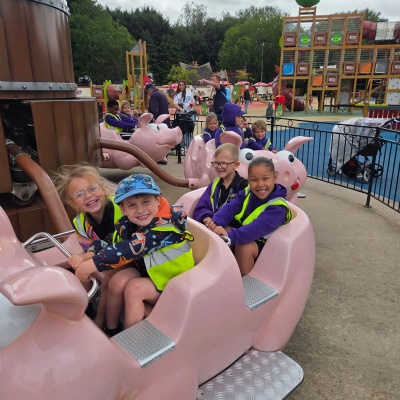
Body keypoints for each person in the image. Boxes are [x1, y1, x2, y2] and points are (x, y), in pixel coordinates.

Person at [71, 174, 195, 333]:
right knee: (114, 279)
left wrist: (90, 265)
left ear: (158, 200)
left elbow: (128, 248)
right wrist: (87, 255)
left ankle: (129, 337)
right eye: (132, 205)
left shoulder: (164, 229)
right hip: (151, 272)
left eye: (146, 202)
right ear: (123, 209)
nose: (140, 210)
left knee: (134, 289)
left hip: (172, 284)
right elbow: (112, 241)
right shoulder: (129, 222)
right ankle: (110, 329)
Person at [54, 163, 124, 329]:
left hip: (128, 255)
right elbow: (89, 246)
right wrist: (84, 257)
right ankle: (89, 306)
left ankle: (101, 322)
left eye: (92, 188)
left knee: (105, 279)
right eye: (79, 194)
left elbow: (119, 242)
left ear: (103, 188)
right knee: (80, 269)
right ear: (73, 203)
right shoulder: (80, 222)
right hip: (109, 256)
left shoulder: (122, 208)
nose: (88, 196)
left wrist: (86, 256)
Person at [206, 157, 292, 276]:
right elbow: (231, 207)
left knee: (244, 247)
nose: (260, 184)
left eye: (265, 179)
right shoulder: (247, 192)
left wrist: (230, 235)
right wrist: (216, 221)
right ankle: (220, 270)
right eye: (254, 180)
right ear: (248, 179)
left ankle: (244, 279)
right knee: (220, 231)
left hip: (266, 245)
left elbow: (256, 228)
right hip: (245, 233)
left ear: (275, 177)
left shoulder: (278, 208)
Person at [193, 143, 248, 225]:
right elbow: (201, 207)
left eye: (224, 163)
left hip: (231, 230)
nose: (219, 167)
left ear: (236, 165)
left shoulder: (244, 187)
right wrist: (206, 217)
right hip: (211, 226)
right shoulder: (214, 185)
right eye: (216, 163)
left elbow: (246, 215)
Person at [173, 80, 196, 148]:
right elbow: (175, 104)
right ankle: (182, 145)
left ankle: (190, 144)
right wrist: (180, 109)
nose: (181, 86)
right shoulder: (177, 95)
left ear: (185, 86)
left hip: (190, 112)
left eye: (182, 85)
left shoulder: (189, 93)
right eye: (180, 85)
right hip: (182, 114)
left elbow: (193, 101)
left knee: (190, 129)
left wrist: (193, 103)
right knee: (183, 130)